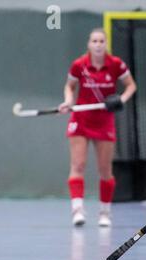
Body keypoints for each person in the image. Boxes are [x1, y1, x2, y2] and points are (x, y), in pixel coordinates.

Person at [58, 28, 137, 227]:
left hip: (104, 121)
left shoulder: (116, 64)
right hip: (81, 119)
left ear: (106, 43)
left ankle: (104, 212)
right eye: (94, 41)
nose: (98, 44)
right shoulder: (79, 65)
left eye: (101, 41)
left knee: (105, 170)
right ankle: (77, 210)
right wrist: (68, 101)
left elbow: (131, 86)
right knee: (78, 165)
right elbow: (69, 86)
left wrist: (120, 100)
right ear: (89, 44)